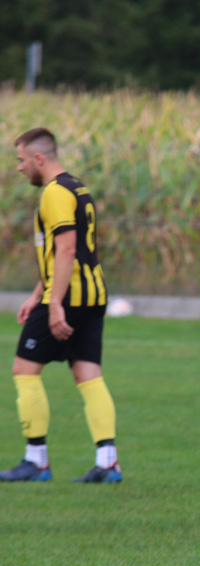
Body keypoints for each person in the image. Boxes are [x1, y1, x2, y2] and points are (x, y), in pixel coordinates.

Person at [1, 128, 121, 484]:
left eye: (21, 160)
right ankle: (108, 463)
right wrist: (37, 293)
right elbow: (67, 252)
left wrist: (54, 304)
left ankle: (36, 461)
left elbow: (67, 250)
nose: (20, 168)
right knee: (88, 374)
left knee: (24, 370)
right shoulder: (77, 187)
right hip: (93, 295)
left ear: (39, 158)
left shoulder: (54, 193)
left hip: (68, 296)